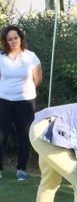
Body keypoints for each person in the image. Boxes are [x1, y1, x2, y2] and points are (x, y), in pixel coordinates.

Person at [0, 25, 42, 181]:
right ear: (5, 41)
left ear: (21, 38)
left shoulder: (30, 56)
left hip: (25, 102)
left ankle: (21, 170)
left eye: (15, 38)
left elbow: (37, 79)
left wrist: (24, 91)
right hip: (3, 101)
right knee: (0, 136)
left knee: (24, 136)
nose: (13, 41)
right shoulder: (1, 57)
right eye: (9, 39)